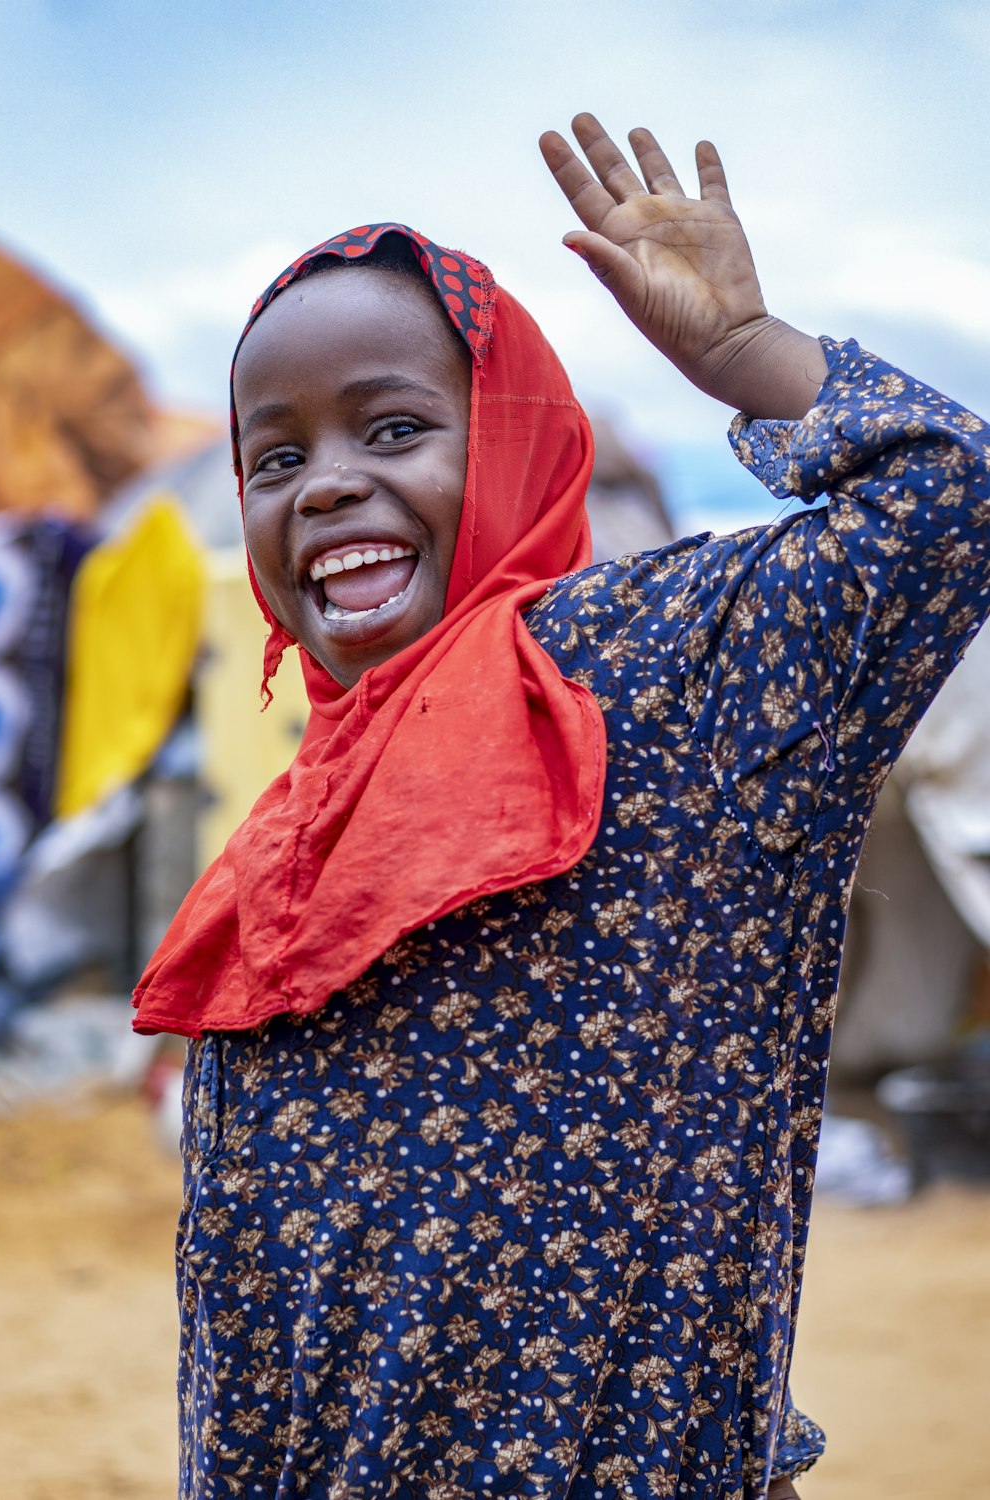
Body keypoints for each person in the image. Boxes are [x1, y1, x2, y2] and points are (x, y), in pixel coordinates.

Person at [134, 113, 990, 1500]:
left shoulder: (660, 673)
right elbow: (242, 1305)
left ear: (526, 437)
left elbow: (949, 508)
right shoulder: (291, 836)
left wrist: (739, 350)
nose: (327, 482)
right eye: (273, 459)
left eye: (396, 426)